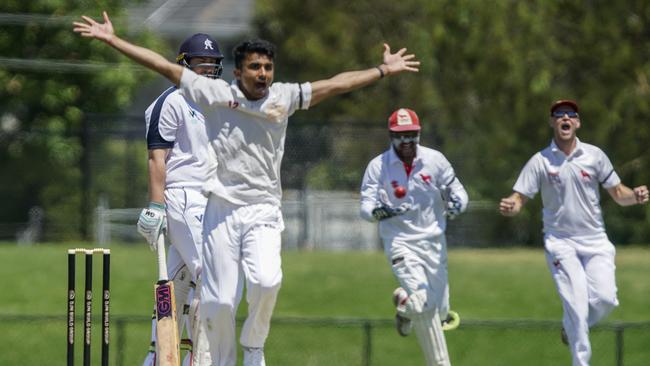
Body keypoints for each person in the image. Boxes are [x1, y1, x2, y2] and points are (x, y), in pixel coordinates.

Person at [74, 12, 420, 366]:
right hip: (209, 203)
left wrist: (382, 70)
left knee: (244, 282)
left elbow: (335, 84)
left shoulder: (282, 97)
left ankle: (236, 350)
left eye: (267, 67)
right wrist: (113, 41)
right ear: (238, 72)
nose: (262, 74)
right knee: (211, 288)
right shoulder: (214, 96)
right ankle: (187, 358)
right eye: (254, 67)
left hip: (256, 208)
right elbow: (163, 69)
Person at [499, 100, 649, 366]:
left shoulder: (594, 156)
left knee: (606, 299)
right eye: (558, 115)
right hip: (561, 243)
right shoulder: (541, 161)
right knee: (577, 307)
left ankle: (572, 327)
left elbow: (618, 193)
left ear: (577, 122)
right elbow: (520, 197)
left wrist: (635, 196)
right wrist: (512, 206)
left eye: (570, 115)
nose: (565, 118)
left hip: (595, 240)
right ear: (552, 122)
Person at [136, 33, 224, 365]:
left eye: (213, 66)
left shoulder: (217, 103)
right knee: (212, 275)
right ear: (183, 66)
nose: (207, 71)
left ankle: (157, 356)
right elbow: (157, 158)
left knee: (176, 285)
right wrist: (156, 206)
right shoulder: (169, 102)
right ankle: (202, 358)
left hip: (212, 200)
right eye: (201, 64)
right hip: (184, 197)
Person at [359, 108, 467, 366]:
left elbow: (460, 193)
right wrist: (378, 212)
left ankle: (403, 305)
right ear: (390, 135)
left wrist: (457, 205)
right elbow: (365, 207)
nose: (406, 141)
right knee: (424, 304)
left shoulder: (435, 160)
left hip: (433, 243)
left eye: (411, 135)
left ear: (418, 134)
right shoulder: (378, 166)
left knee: (439, 312)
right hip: (400, 243)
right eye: (400, 135)